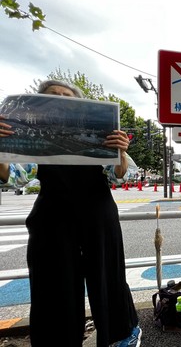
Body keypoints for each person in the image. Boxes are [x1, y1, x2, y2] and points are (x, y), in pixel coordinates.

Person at [0, 80, 141, 346]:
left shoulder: (98, 132)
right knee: (53, 285)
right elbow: (13, 177)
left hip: (98, 215)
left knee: (108, 276)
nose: (61, 100)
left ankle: (121, 336)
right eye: (54, 96)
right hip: (52, 218)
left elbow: (121, 176)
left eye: (68, 97)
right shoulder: (33, 138)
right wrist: (2, 148)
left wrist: (120, 151)